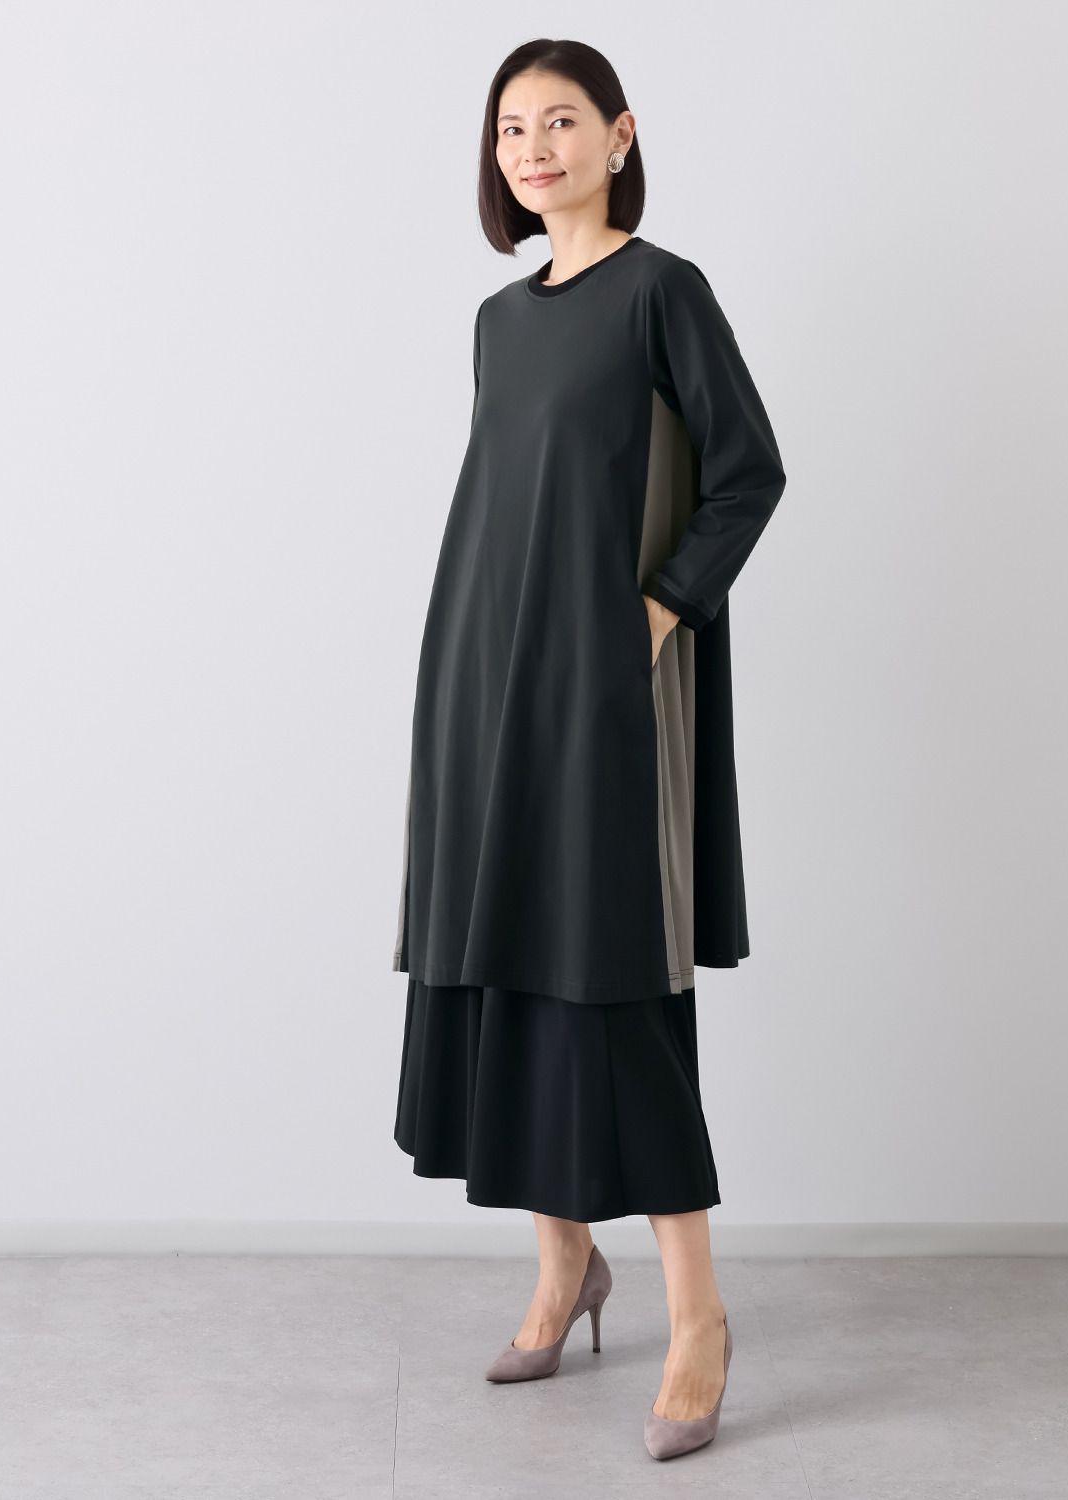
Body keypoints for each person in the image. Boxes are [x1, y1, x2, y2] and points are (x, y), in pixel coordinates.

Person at [390, 37, 785, 1461]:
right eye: (511, 128)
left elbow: (748, 469)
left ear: (620, 135)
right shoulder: (498, 321)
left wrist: (657, 613)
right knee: (510, 958)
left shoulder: (662, 291)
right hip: (483, 683)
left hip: (605, 692)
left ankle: (699, 1318)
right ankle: (565, 1266)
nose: (534, 148)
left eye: (561, 121)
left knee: (614, 979)